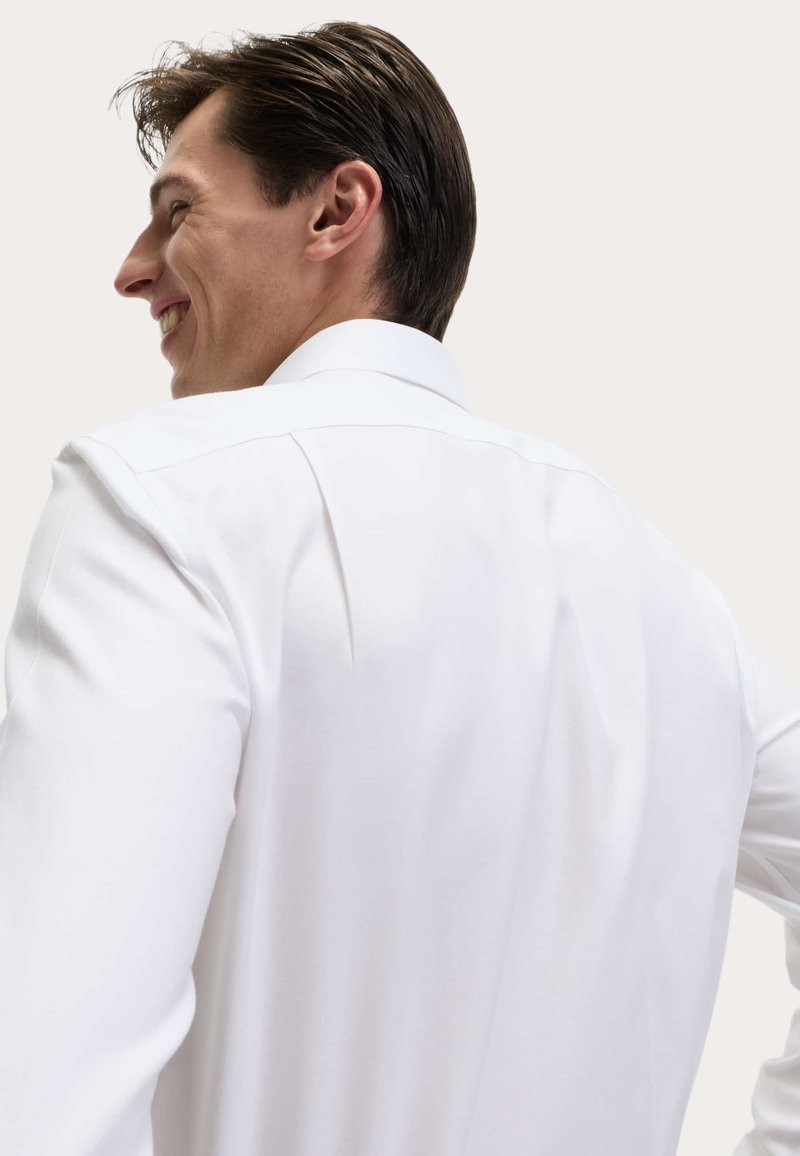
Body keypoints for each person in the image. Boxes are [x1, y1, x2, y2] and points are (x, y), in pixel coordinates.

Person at [0, 20, 797, 1156]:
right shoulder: (670, 594)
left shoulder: (163, 502)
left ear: (337, 210)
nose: (133, 268)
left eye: (177, 211)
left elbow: (44, 1094)